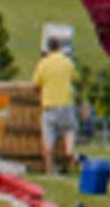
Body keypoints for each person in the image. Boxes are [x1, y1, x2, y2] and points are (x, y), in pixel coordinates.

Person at [33, 37, 80, 175]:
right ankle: (70, 151)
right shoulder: (68, 62)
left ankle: (49, 171)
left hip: (49, 105)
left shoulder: (43, 64)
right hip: (66, 104)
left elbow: (36, 84)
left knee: (48, 141)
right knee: (70, 129)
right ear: (59, 47)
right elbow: (75, 78)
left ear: (48, 48)